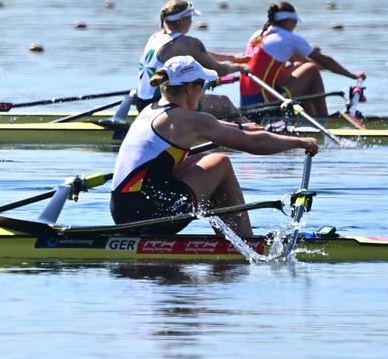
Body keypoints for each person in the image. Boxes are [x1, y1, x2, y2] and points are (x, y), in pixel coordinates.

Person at [110, 56, 318, 239]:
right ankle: (244, 240)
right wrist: (299, 142)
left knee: (199, 160)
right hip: (148, 215)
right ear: (189, 88)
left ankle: (229, 235)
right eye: (204, 86)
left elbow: (214, 126)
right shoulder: (189, 120)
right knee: (220, 162)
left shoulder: (151, 110)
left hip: (123, 210)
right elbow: (253, 144)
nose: (204, 92)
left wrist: (240, 127)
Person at [110, 0, 246, 123]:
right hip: (164, 104)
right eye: (190, 18)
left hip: (142, 102)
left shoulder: (155, 37)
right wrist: (242, 68)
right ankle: (248, 134)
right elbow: (219, 70)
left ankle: (218, 129)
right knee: (224, 103)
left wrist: (231, 58)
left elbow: (203, 54)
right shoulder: (188, 43)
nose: (192, 22)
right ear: (182, 20)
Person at [239, 1, 366, 117]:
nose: (295, 26)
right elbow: (323, 61)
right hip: (265, 102)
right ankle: (323, 119)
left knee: (302, 68)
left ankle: (310, 117)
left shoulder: (258, 35)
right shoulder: (287, 38)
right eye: (295, 23)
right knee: (311, 69)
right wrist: (352, 75)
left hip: (247, 103)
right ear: (288, 21)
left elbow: (301, 61)